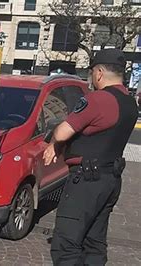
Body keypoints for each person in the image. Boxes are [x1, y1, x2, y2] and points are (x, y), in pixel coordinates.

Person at [42, 49, 138, 265]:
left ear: (100, 72)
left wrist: (56, 140)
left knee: (66, 245)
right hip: (110, 179)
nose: (92, 77)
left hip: (86, 181)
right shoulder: (129, 103)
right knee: (94, 242)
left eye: (93, 71)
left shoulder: (97, 100)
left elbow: (62, 132)